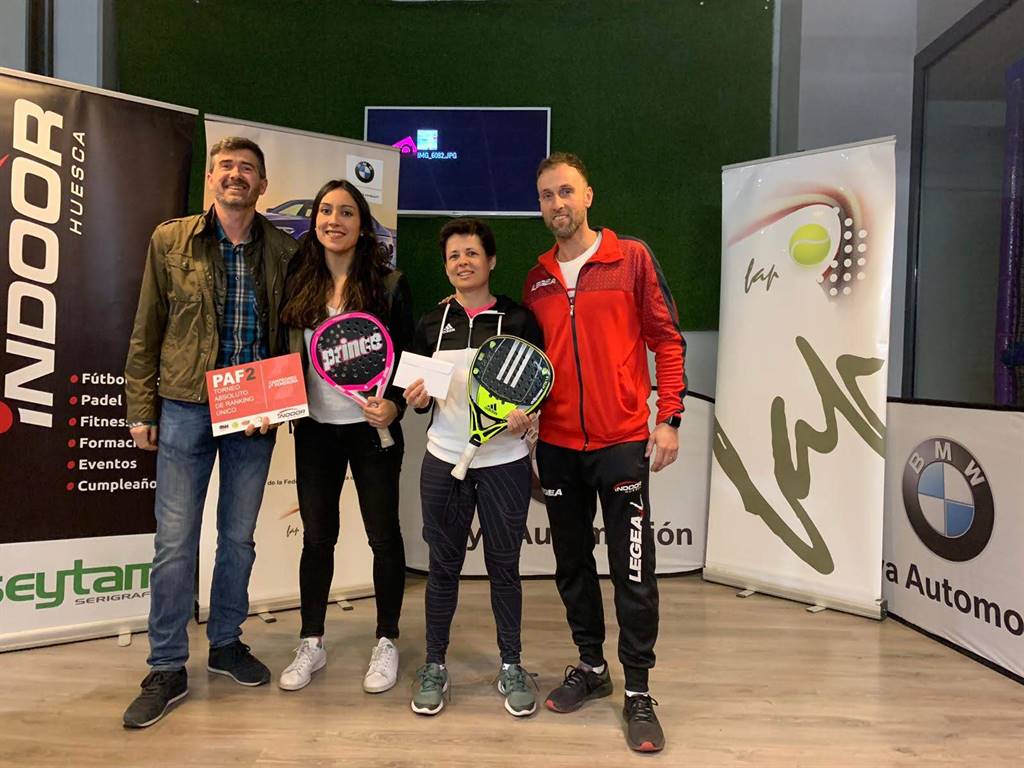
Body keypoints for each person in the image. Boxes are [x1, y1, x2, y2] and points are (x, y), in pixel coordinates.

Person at [123, 137, 299, 728]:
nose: (236, 175)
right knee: (175, 542)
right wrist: (141, 408)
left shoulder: (283, 248)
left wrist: (282, 402)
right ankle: (166, 665)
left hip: (254, 407)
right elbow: (147, 326)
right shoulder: (170, 240)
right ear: (210, 178)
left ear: (262, 184)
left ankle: (225, 642)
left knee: (239, 538)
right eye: (226, 166)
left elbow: (292, 332)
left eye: (247, 169)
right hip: (184, 406)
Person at [522, 153, 686, 752]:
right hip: (558, 448)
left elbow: (667, 340)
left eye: (566, 191)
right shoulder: (537, 279)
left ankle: (638, 690)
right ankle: (592, 668)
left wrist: (668, 418)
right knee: (571, 565)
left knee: (632, 569)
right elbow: (532, 368)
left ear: (588, 195)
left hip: (621, 444)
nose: (557, 204)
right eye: (546, 195)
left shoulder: (631, 258)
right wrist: (528, 422)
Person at [277, 179, 413, 695]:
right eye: (326, 211)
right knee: (317, 538)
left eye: (347, 212)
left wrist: (394, 405)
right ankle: (311, 640)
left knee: (383, 537)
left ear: (363, 225)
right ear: (314, 219)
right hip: (315, 430)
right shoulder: (296, 281)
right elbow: (281, 352)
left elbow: (406, 356)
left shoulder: (389, 284)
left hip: (372, 432)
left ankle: (387, 640)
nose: (334, 220)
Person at [403, 218, 542, 717]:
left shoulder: (519, 319)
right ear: (446, 267)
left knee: (505, 568)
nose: (462, 262)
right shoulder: (430, 322)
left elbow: (537, 385)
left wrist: (528, 416)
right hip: (443, 460)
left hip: (504, 463)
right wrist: (416, 398)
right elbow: (419, 396)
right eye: (454, 256)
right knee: (443, 567)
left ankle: (512, 665)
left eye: (471, 253)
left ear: (491, 260)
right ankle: (434, 665)